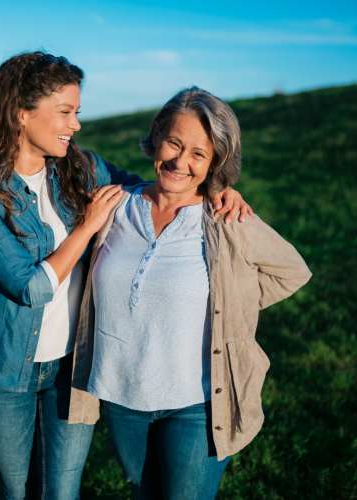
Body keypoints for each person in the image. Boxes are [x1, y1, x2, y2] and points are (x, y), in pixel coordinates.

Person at [0, 52, 251, 500]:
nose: (75, 124)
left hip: (72, 364)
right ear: (22, 114)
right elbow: (31, 287)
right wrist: (85, 229)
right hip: (6, 368)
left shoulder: (81, 167)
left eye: (77, 112)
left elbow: (156, 188)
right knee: (17, 489)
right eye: (65, 112)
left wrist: (218, 186)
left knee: (62, 491)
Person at [68, 86, 312, 499]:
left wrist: (230, 301)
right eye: (174, 144)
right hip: (122, 394)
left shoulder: (224, 218)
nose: (181, 162)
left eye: (198, 154)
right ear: (157, 136)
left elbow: (292, 271)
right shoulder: (115, 206)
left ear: (215, 161)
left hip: (197, 403)